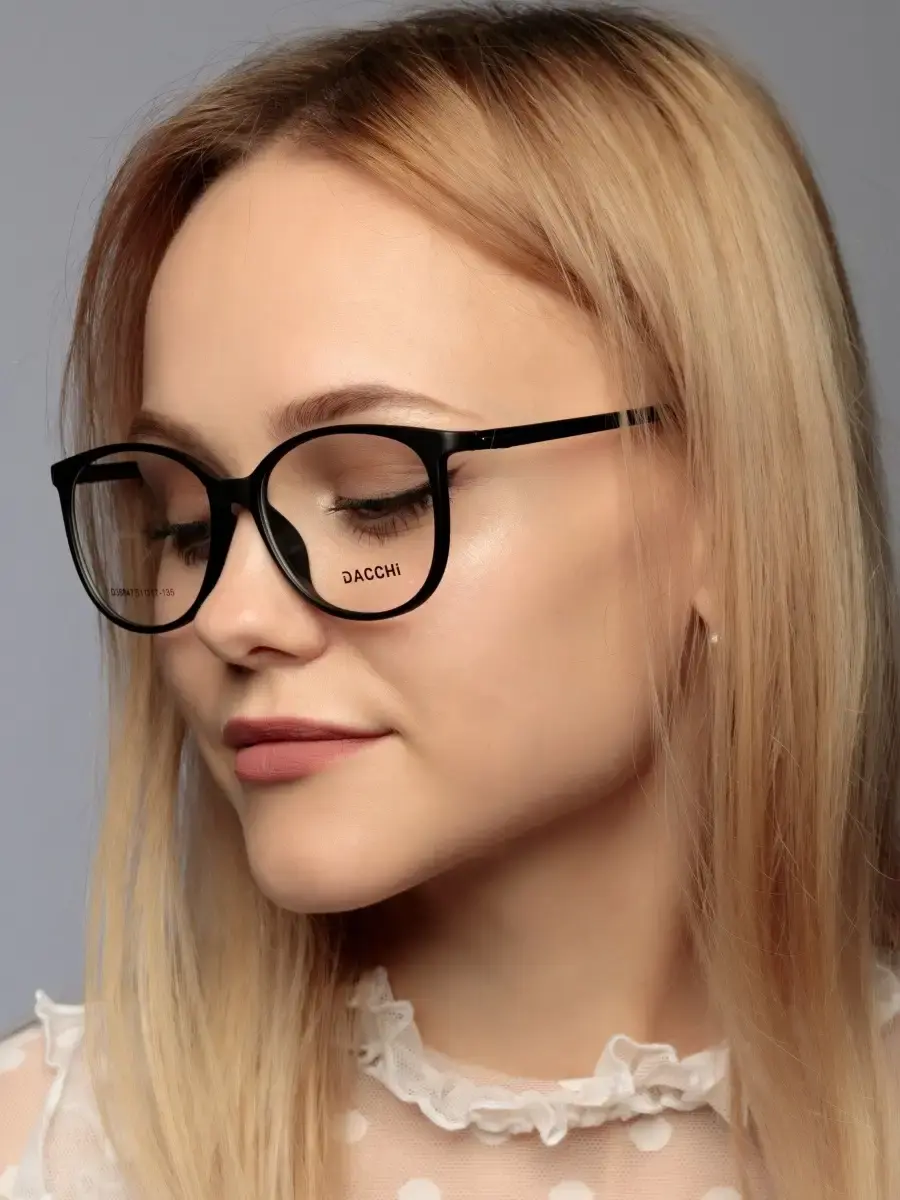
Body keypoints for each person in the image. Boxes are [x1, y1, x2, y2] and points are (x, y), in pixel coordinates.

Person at [1, 3, 898, 1198]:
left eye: (379, 498)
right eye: (187, 523)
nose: (232, 615)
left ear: (735, 515)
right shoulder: (50, 1152)